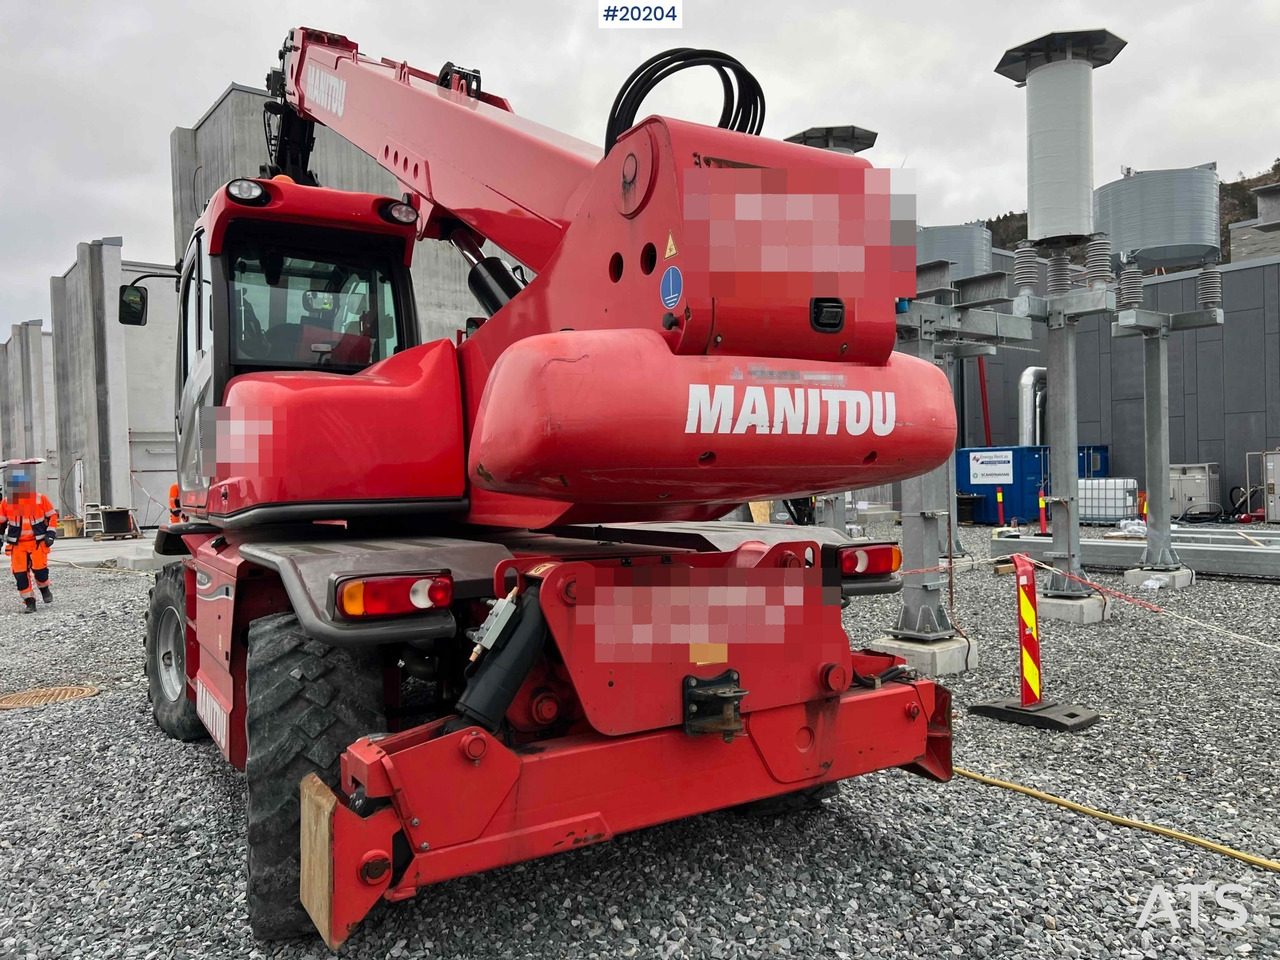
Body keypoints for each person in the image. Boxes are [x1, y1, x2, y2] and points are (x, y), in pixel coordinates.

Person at [0, 465, 57, 613]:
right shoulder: (7, 502)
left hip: (37, 542)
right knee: (20, 575)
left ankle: (44, 588)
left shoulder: (40, 499)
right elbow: (1, 522)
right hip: (18, 545)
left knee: (40, 571)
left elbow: (52, 516)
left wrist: (50, 534)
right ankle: (30, 602)